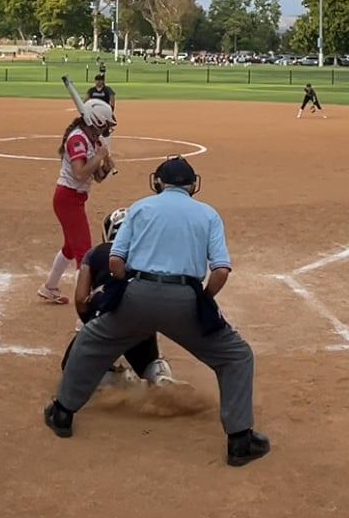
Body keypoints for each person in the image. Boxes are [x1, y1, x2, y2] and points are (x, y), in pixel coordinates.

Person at [43, 156, 268, 467]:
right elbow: (220, 272)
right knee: (236, 356)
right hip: (185, 296)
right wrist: (201, 300)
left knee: (90, 340)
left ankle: (62, 413)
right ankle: (240, 440)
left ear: (158, 183)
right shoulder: (208, 214)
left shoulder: (140, 207)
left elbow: (115, 262)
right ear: (193, 185)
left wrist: (130, 289)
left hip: (137, 293)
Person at [64, 207, 186, 389]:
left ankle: (119, 379)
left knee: (72, 367)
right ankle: (159, 375)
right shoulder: (150, 254)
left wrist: (90, 322)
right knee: (147, 360)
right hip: (145, 315)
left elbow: (81, 300)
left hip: (108, 317)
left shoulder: (96, 253)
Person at [39, 98, 116, 304]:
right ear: (97, 121)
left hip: (75, 198)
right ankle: (84, 308)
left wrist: (105, 167)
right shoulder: (77, 139)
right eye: (105, 124)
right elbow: (80, 173)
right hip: (67, 198)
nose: (107, 128)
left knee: (70, 247)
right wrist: (99, 156)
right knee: (84, 253)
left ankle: (49, 287)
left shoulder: (92, 140)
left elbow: (96, 177)